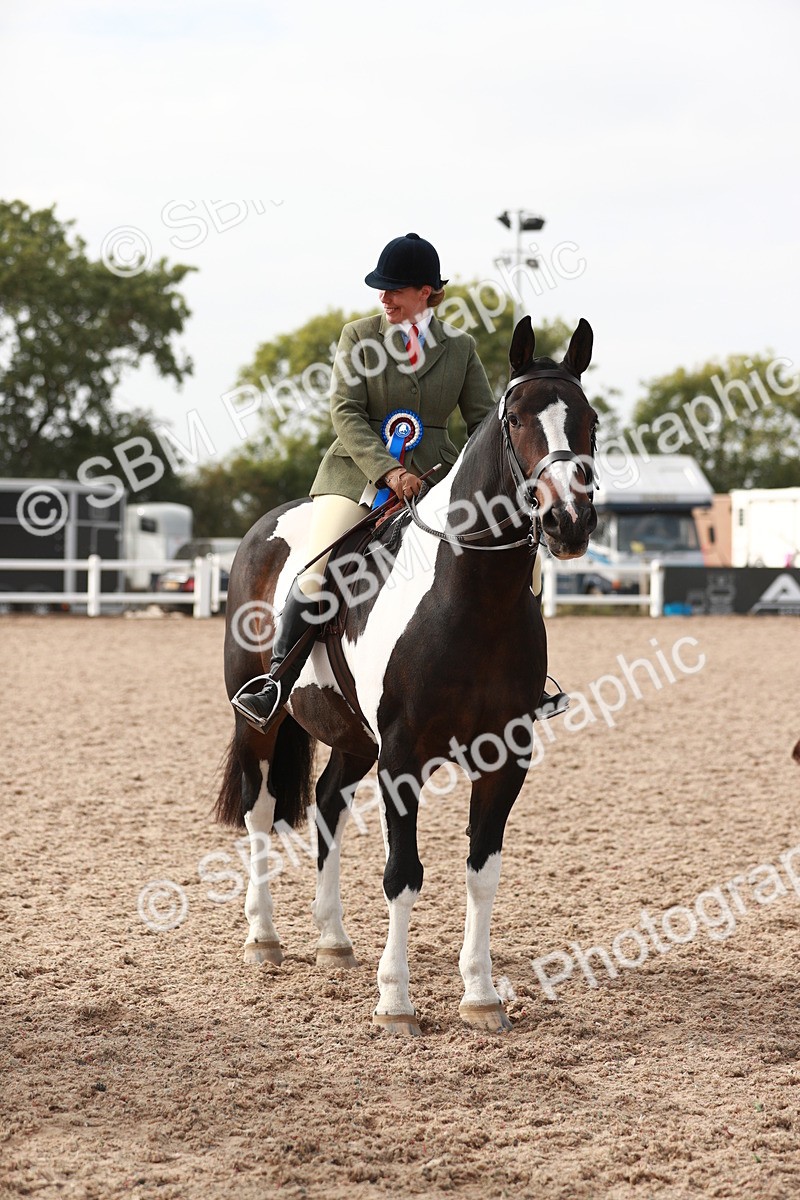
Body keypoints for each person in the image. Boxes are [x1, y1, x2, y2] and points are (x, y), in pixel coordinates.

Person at [233, 232, 568, 730]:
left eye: (394, 289)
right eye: (381, 290)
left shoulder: (460, 348)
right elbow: (344, 410)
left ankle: (524, 681)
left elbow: (484, 421)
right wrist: (389, 469)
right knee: (317, 567)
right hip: (357, 475)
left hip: (438, 478)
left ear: (426, 292)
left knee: (523, 565)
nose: (384, 298)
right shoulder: (358, 336)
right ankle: (276, 681)